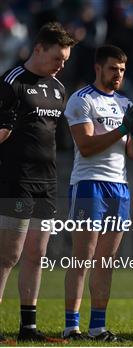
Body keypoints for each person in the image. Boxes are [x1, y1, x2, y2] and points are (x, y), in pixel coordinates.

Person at [62, 44, 133, 341]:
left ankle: (97, 326)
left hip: (119, 187)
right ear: (98, 68)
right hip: (89, 184)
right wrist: (124, 129)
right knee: (82, 258)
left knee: (106, 261)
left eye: (122, 70)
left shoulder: (125, 103)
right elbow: (86, 147)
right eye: (113, 68)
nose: (118, 75)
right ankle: (71, 326)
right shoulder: (81, 100)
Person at [0, 22, 76, 343]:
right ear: (39, 49)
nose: (61, 65)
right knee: (8, 256)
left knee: (37, 254)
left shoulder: (58, 89)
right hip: (16, 180)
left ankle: (28, 328)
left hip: (47, 182)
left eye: (65, 61)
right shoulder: (12, 82)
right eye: (57, 58)